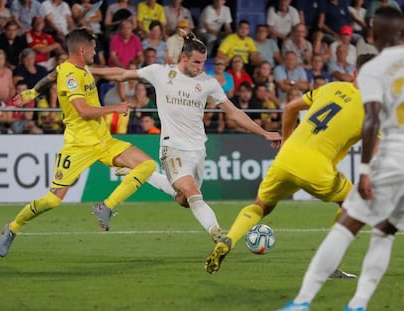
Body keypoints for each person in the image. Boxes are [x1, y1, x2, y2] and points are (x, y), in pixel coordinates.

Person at [91, 32, 281, 243]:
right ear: (183, 58)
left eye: (204, 62)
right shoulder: (159, 73)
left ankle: (141, 174)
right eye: (197, 62)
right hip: (172, 147)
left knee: (185, 199)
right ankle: (219, 236)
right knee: (191, 190)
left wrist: (264, 132)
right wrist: (89, 70)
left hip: (198, 149)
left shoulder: (208, 83)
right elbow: (122, 74)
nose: (201, 67)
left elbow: (234, 112)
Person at [204, 53, 376, 278]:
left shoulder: (331, 87)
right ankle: (329, 265)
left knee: (261, 205)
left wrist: (286, 141)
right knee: (353, 205)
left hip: (286, 159)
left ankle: (229, 240)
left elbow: (290, 108)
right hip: (317, 168)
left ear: (354, 73)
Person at [278, 7, 404, 311]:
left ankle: (303, 301)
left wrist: (364, 170)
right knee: (384, 233)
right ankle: (358, 302)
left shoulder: (376, 69)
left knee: (348, 225)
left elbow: (371, 120)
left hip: (390, 159)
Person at [0, 28, 157, 257]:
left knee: (148, 165)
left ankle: (106, 207)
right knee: (52, 201)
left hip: (103, 140)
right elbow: (82, 111)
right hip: (78, 146)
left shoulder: (80, 70)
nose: (96, 51)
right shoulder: (71, 76)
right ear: (82, 50)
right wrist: (116, 107)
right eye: (93, 48)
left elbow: (52, 75)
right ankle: (11, 229)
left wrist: (33, 92)